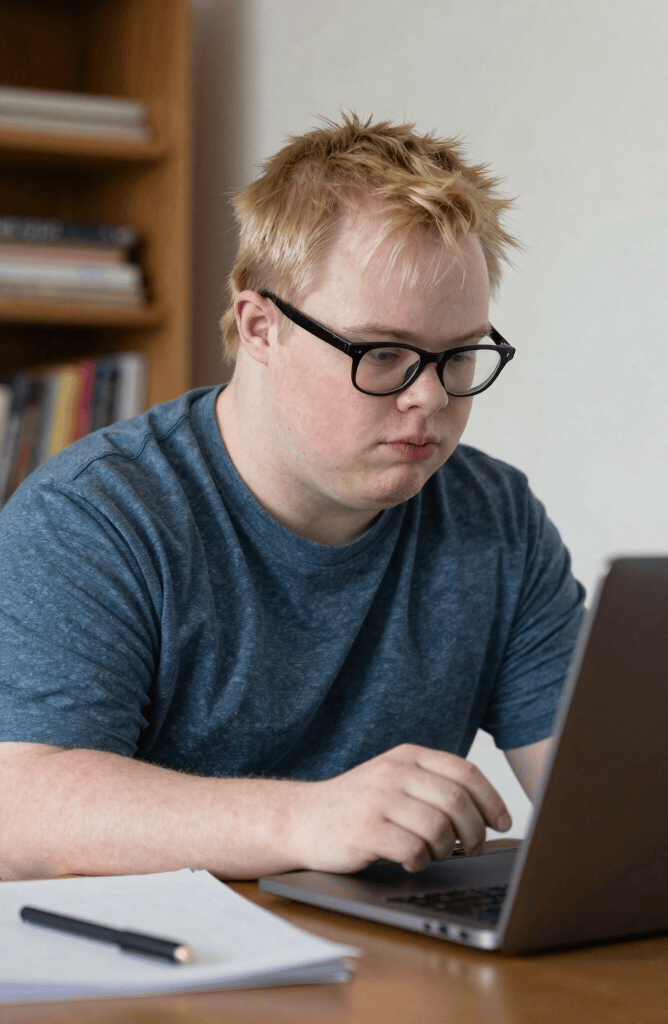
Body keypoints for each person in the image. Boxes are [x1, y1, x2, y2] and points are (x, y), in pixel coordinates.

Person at [0, 114, 584, 882]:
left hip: (386, 972)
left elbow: (593, 795)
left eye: (459, 356)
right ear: (260, 328)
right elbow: (23, 810)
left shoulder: (495, 516)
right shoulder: (95, 516)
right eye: (384, 354)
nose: (431, 398)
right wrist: (308, 818)